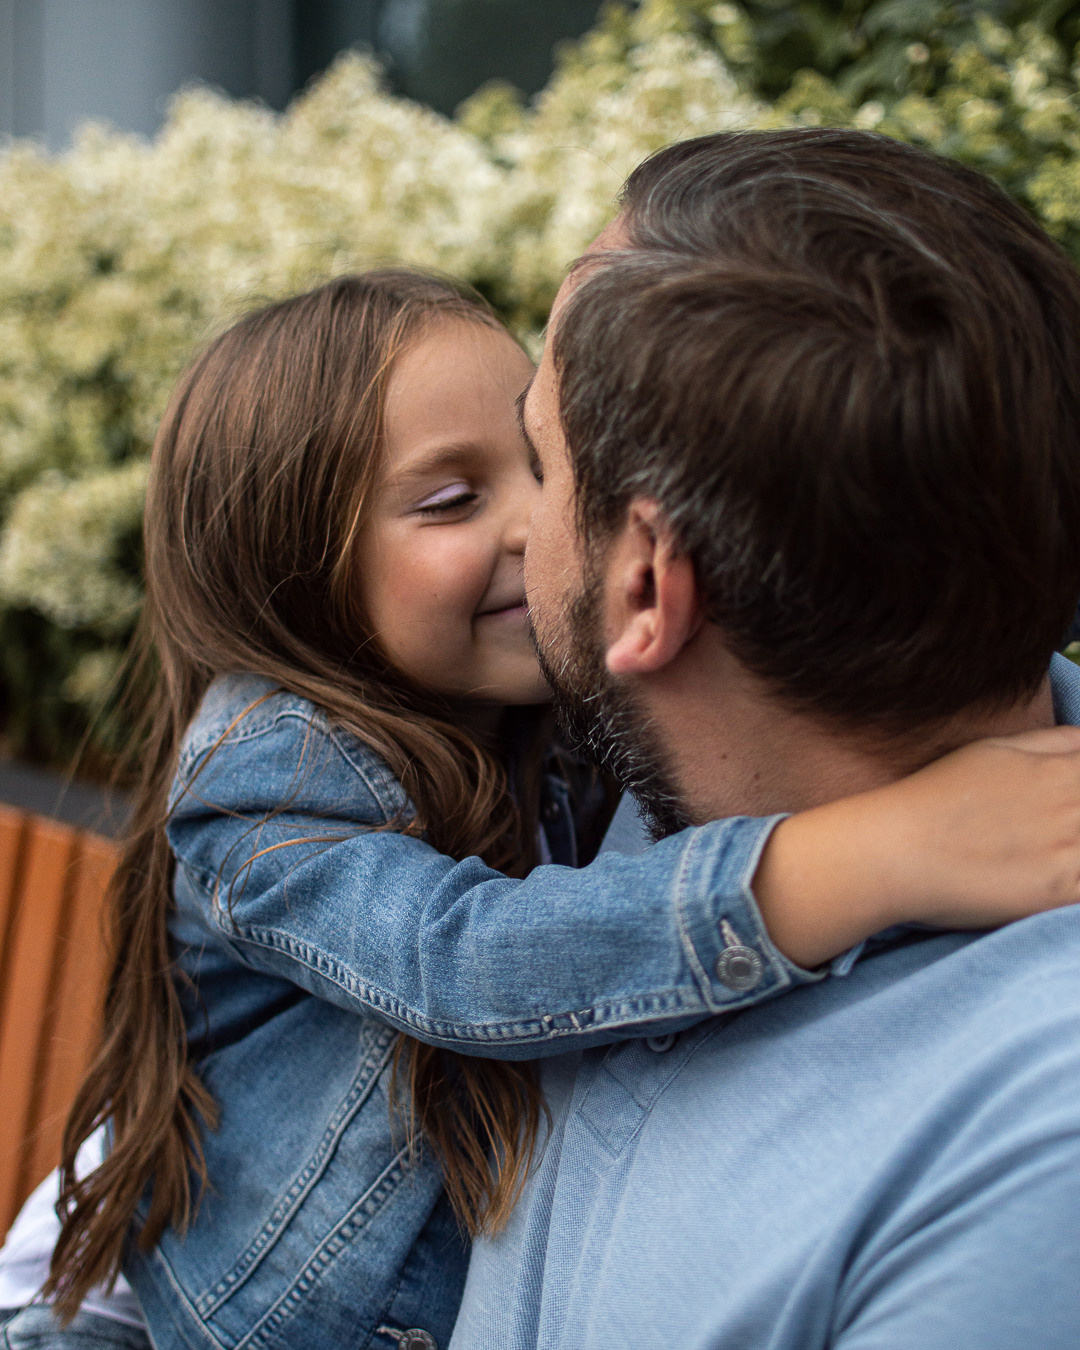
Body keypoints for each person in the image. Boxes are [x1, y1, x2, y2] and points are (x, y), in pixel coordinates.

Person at [2, 263, 1079, 1350]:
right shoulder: (265, 782)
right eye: (452, 500)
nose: (540, 525)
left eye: (543, 462)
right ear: (295, 576)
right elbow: (460, 960)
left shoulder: (540, 698)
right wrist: (868, 858)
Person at [448, 128, 1080, 1349]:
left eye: (539, 461)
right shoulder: (600, 767)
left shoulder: (1033, 1165)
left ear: (647, 590)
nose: (514, 535)